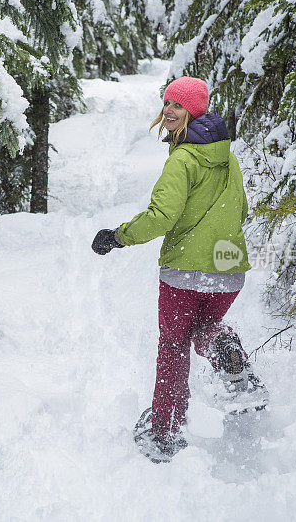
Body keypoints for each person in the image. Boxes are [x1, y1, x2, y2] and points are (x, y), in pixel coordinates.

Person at [91, 76, 258, 462]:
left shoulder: (182, 159)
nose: (168, 110)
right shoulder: (226, 156)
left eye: (178, 105)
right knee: (202, 331)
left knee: (172, 346)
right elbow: (242, 208)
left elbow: (162, 216)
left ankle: (164, 430)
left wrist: (118, 236)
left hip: (186, 268)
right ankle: (222, 346)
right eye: (166, 102)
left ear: (194, 111)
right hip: (229, 265)